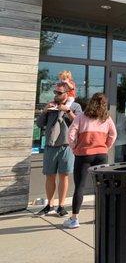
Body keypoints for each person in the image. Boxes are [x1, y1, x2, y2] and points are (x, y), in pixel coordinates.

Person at [64, 93, 117, 229]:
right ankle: (101, 217)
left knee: (80, 186)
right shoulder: (107, 118)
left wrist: (75, 148)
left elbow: (70, 134)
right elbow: (113, 134)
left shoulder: (81, 117)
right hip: (101, 154)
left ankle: (74, 219)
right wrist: (106, 146)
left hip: (84, 155)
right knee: (102, 187)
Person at [35, 82, 82, 217]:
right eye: (55, 92)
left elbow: (79, 123)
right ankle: (49, 204)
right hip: (50, 145)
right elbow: (39, 124)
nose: (56, 95)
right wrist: (45, 111)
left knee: (64, 176)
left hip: (66, 146)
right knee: (50, 176)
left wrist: (67, 110)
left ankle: (61, 206)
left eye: (59, 93)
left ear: (67, 93)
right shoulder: (51, 106)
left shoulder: (75, 106)